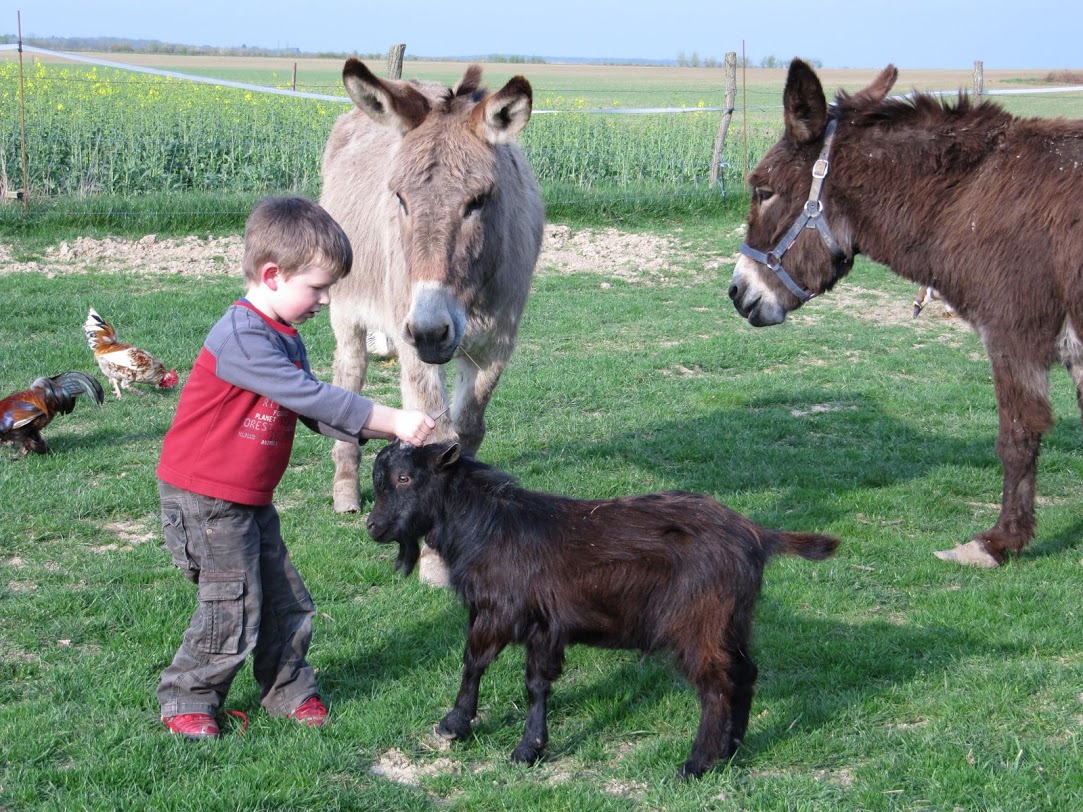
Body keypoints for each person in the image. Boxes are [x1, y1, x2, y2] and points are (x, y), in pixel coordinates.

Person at [155, 195, 435, 739]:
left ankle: (289, 691)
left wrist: (386, 429)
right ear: (271, 275)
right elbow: (313, 397)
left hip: (249, 497)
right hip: (205, 499)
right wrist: (394, 418)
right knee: (233, 603)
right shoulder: (241, 337)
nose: (326, 299)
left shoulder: (284, 337)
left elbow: (316, 410)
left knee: (286, 600)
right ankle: (187, 699)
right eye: (318, 286)